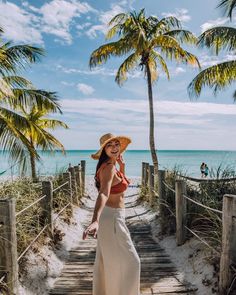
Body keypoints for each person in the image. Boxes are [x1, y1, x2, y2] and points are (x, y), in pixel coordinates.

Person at [82, 133, 141, 295]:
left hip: (114, 217)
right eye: (110, 145)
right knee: (132, 262)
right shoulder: (108, 168)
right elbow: (104, 193)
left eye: (117, 144)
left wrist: (121, 167)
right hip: (112, 218)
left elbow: (119, 184)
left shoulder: (111, 166)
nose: (115, 147)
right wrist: (95, 220)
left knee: (107, 262)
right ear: (104, 150)